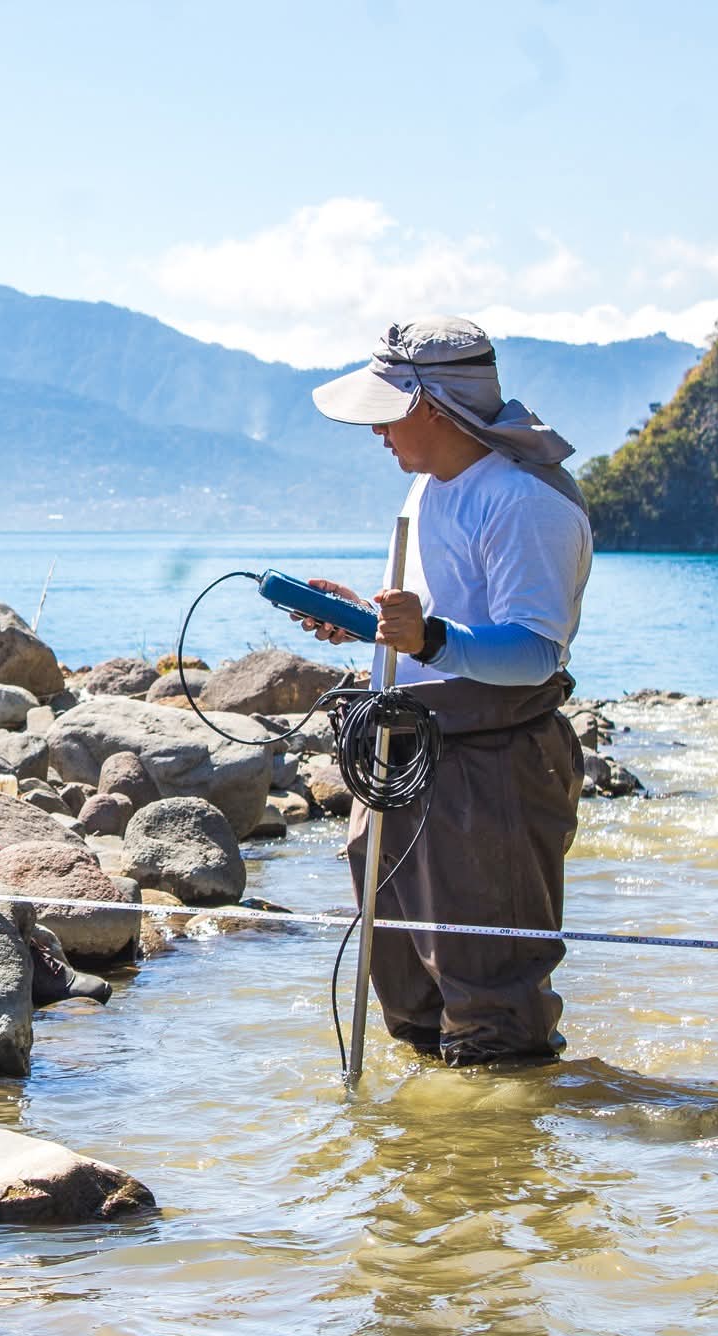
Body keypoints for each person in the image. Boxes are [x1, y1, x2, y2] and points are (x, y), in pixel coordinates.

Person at [303, 317, 591, 1066]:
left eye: (386, 413)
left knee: (496, 1009)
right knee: (411, 1000)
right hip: (402, 758)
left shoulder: (526, 499)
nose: (376, 433)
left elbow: (533, 650)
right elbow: (436, 620)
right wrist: (366, 624)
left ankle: (509, 1173)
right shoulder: (429, 487)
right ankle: (435, 1167)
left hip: (487, 770)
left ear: (430, 404)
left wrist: (427, 637)